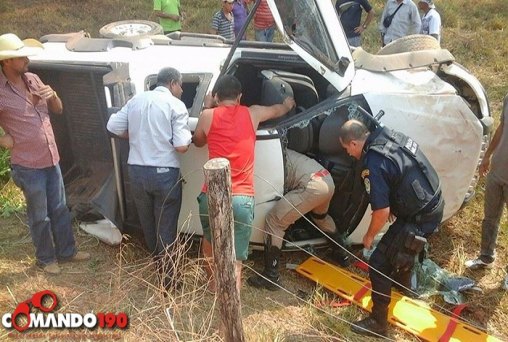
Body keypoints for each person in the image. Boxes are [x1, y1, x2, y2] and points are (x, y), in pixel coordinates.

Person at [339, 119, 444, 337]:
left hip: (420, 216)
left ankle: (378, 323)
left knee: (378, 263)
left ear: (354, 143)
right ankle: (402, 286)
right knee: (398, 250)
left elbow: (381, 212)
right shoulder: (388, 135)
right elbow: (402, 172)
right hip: (432, 201)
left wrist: (369, 236)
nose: (349, 154)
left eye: (347, 149)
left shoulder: (373, 163)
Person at [193, 75, 295, 293]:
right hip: (242, 197)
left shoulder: (207, 115)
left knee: (210, 245)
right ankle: (232, 296)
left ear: (217, 96)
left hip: (212, 192)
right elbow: (278, 110)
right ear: (239, 97)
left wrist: (207, 106)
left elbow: (198, 141)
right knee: (236, 258)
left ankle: (213, 287)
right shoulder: (253, 113)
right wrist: (288, 103)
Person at [0, 33, 90, 274]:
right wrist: (2, 139)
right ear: (7, 61)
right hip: (28, 165)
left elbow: (58, 110)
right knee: (40, 215)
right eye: (21, 56)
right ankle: (45, 259)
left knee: (60, 208)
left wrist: (54, 96)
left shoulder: (33, 78)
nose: (27, 59)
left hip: (51, 157)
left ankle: (67, 252)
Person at [107, 67, 191, 289]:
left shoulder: (136, 100)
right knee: (166, 226)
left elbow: (112, 126)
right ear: (173, 83)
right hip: (164, 172)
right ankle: (169, 280)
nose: (181, 90)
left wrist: (135, 135)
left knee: (148, 223)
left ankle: (156, 266)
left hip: (136, 171)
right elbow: (182, 146)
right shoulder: (175, 105)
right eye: (180, 85)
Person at [247, 149, 341, 290]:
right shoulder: (281, 149)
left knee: (274, 221)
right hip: (326, 180)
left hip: (312, 187)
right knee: (320, 218)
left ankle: (270, 276)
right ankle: (342, 254)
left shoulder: (265, 154)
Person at [465, 95, 508, 289]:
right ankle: (486, 256)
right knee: (490, 217)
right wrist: (488, 156)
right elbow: (501, 128)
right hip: (497, 172)